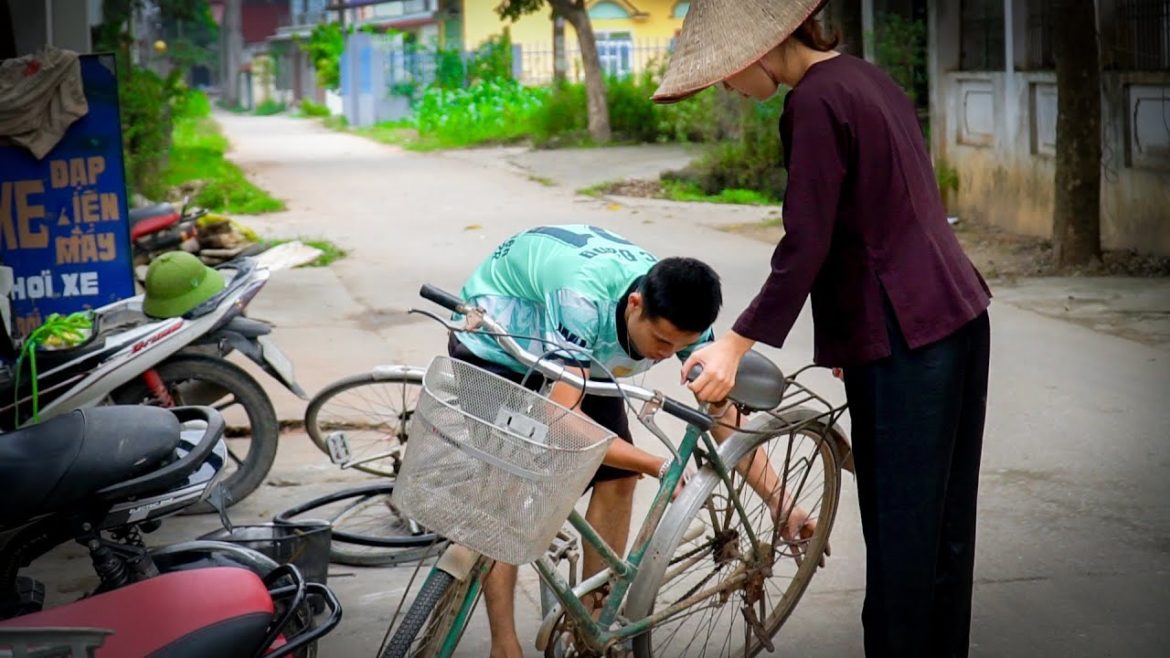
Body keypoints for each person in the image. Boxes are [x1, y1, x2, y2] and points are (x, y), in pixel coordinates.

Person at [653, 2, 993, 658]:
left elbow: (807, 242)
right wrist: (849, 334)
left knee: (900, 535)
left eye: (725, 74)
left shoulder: (810, 103)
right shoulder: (867, 78)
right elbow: (870, 217)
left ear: (758, 52)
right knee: (944, 525)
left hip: (909, 336)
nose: (728, 87)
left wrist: (734, 342)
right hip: (956, 313)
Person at [448, 224, 814, 658]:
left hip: (584, 358)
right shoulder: (581, 302)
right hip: (496, 342)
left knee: (618, 477)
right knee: (502, 494)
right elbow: (563, 419)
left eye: (679, 345)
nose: (664, 354)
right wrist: (656, 464)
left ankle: (589, 624)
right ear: (635, 304)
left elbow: (722, 418)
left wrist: (779, 500)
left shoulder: (679, 319)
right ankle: (503, 643)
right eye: (660, 340)